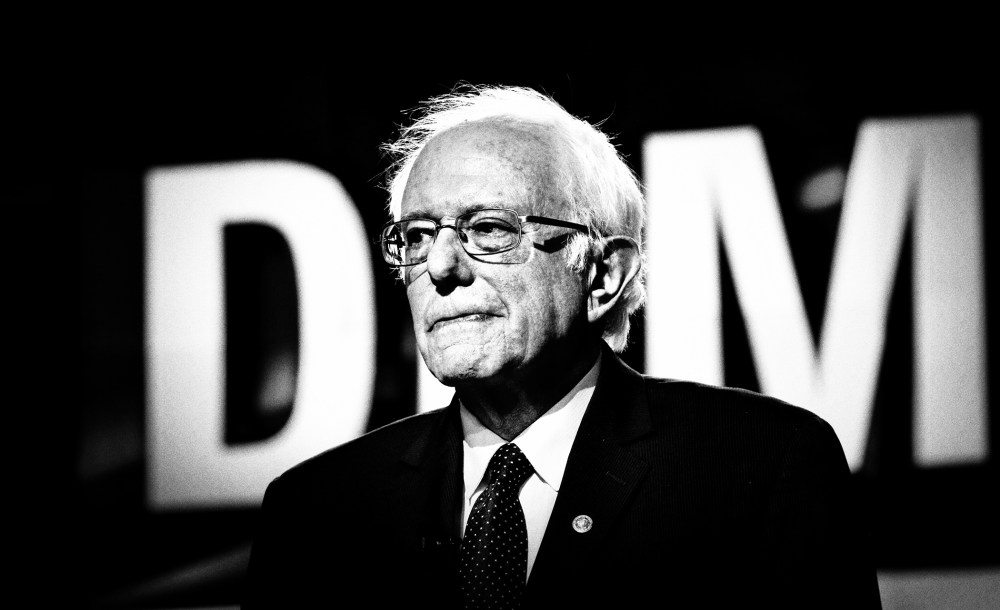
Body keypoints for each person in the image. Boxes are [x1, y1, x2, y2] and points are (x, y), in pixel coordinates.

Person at [243, 84, 882, 608]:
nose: (439, 266)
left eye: (486, 229)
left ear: (603, 275)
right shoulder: (314, 515)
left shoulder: (764, 467)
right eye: (414, 235)